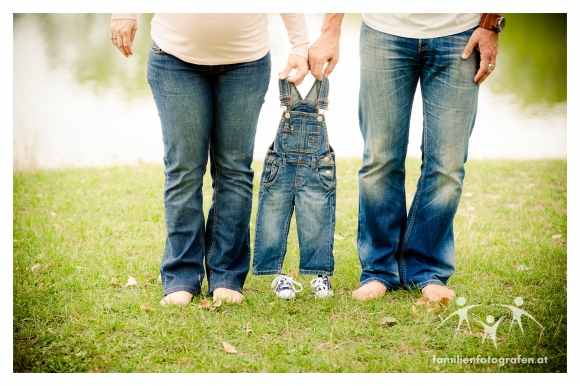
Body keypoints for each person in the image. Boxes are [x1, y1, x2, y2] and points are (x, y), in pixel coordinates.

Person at [110, 13, 310, 305]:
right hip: (174, 58)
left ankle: (226, 274)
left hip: (246, 62)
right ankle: (181, 276)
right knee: (184, 170)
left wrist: (300, 44)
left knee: (234, 170)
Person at [308, 13, 502, 301]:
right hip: (384, 31)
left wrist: (491, 23)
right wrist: (329, 29)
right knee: (380, 160)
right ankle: (378, 270)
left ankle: (428, 270)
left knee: (447, 165)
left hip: (460, 32)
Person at [252, 77, 336, 300]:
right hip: (281, 167)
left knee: (317, 218)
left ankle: (320, 276)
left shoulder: (321, 88)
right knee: (273, 216)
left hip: (317, 169)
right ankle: (277, 275)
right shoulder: (285, 86)